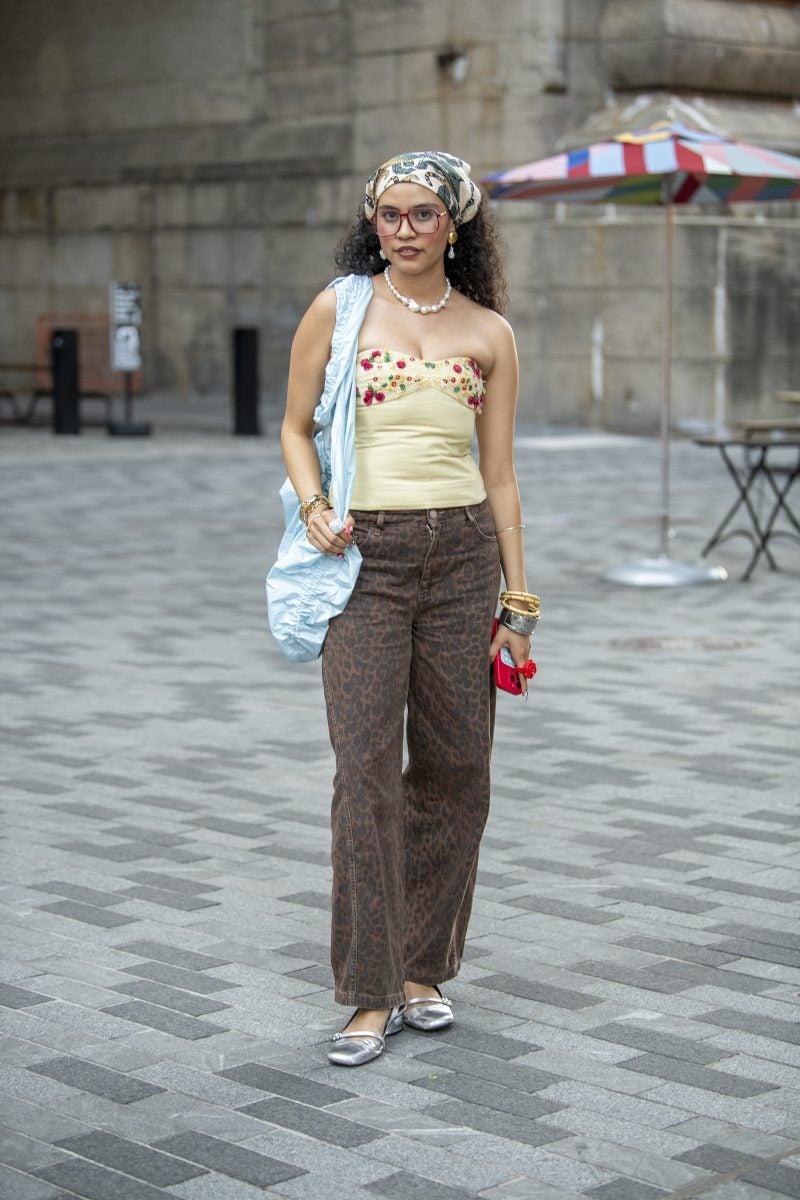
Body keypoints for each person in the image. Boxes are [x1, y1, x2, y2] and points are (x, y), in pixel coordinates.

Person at [279, 150, 537, 1066]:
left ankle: (425, 967)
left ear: (454, 224)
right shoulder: (340, 308)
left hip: (464, 558)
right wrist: (315, 508)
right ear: (372, 220)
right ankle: (369, 991)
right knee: (365, 773)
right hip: (366, 562)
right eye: (389, 213)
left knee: (460, 770)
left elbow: (501, 473)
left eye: (422, 213)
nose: (403, 228)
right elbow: (295, 423)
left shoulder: (490, 333)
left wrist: (518, 597)